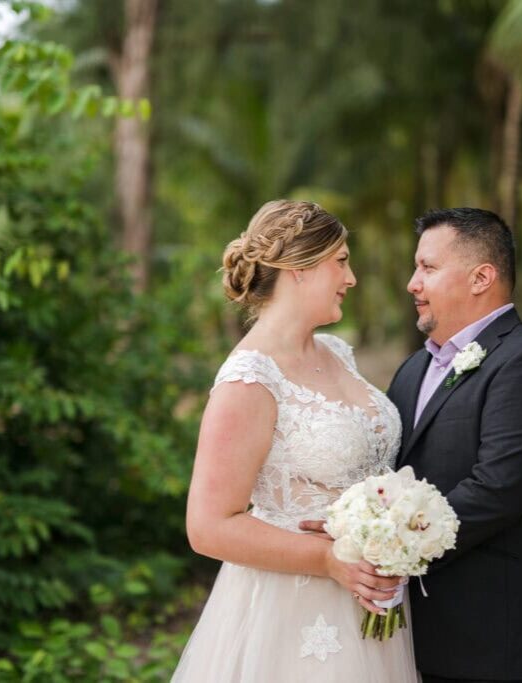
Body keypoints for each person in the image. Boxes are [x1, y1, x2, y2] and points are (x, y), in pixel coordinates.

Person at [172, 200, 418, 682]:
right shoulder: (249, 379)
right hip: (291, 613)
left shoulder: (337, 352)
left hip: (367, 606)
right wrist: (328, 559)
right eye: (341, 261)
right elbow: (208, 526)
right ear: (299, 269)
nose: (351, 279)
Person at [386, 207, 522, 682]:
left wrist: (386, 547)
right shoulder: (412, 369)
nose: (413, 283)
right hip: (415, 638)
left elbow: (497, 490)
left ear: (481, 277)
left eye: (427, 268)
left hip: (498, 644)